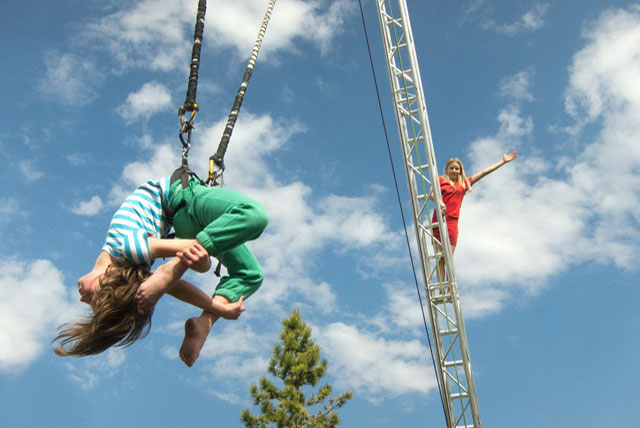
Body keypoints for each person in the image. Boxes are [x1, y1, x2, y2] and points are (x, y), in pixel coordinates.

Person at [54, 174, 268, 367]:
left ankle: (205, 322)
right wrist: (190, 266)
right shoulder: (128, 248)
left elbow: (180, 277)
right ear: (109, 274)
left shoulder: (128, 256)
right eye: (94, 299)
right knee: (253, 214)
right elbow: (190, 254)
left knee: (250, 274)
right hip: (183, 199)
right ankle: (176, 274)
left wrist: (216, 304)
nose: (83, 299)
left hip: (185, 218)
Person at [430, 151, 517, 284]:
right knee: (439, 256)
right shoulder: (440, 180)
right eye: (451, 168)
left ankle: (449, 287)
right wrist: (440, 202)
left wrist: (503, 162)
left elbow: (483, 173)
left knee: (448, 257)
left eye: (456, 169)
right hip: (439, 220)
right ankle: (441, 286)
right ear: (447, 169)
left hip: (452, 222)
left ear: (460, 171)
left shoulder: (464, 184)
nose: (454, 170)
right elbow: (431, 194)